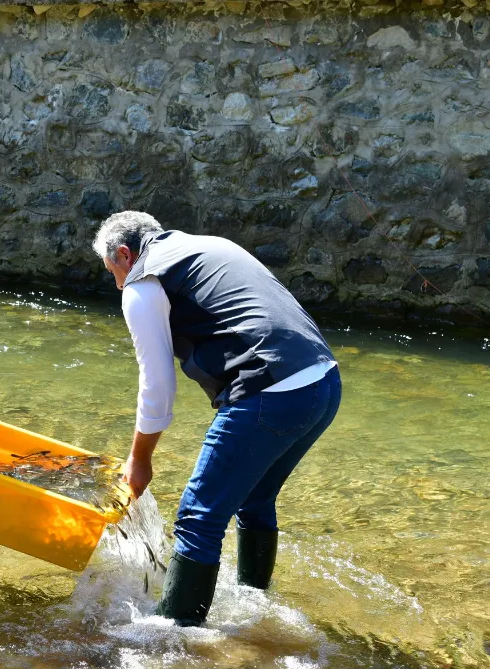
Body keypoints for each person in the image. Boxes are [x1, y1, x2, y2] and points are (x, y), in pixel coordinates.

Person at [92, 211, 342, 626]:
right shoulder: (210, 245)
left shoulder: (142, 282)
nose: (117, 283)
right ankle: (256, 610)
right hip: (324, 384)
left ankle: (173, 638)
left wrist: (139, 459)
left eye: (113, 272)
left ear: (125, 254)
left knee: (198, 517)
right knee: (255, 499)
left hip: (271, 392)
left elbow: (157, 385)